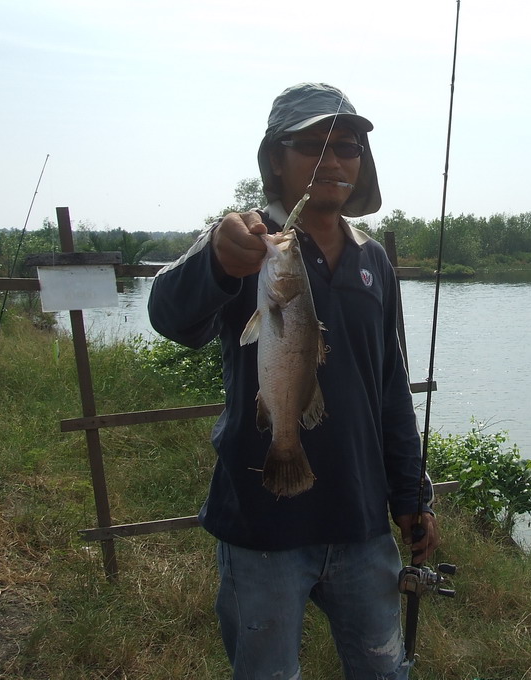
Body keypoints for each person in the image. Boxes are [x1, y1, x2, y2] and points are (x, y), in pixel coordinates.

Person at [148, 82, 439, 680]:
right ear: (275, 160)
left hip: (362, 522)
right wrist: (217, 263)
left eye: (350, 147)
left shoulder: (372, 260)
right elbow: (170, 317)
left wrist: (411, 495)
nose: (333, 161)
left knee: (384, 671)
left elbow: (391, 387)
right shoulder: (251, 245)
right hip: (261, 527)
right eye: (312, 145)